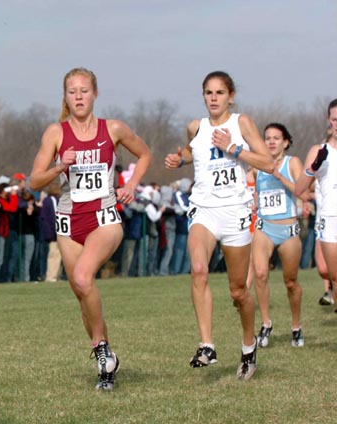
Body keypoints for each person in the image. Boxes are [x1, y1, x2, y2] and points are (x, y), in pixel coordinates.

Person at [29, 67, 153, 390]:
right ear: (66, 97)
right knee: (83, 295)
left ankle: (100, 349)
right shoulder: (55, 133)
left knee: (84, 278)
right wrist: (60, 165)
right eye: (73, 92)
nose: (79, 97)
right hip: (69, 220)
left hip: (104, 216)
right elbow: (35, 180)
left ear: (95, 93)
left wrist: (132, 185)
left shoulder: (112, 128)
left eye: (84, 91)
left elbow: (144, 154)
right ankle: (106, 362)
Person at [164, 71, 273, 380]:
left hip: (235, 211)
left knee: (238, 292)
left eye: (220, 93)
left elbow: (267, 162)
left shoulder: (241, 124)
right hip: (204, 210)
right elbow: (193, 150)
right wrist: (180, 159)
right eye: (208, 93)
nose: (213, 98)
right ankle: (207, 345)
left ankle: (249, 346)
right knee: (198, 269)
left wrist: (234, 149)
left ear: (231, 96)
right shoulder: (195, 127)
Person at [251, 123, 303, 347]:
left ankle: (296, 326)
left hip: (288, 230)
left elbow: (301, 189)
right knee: (261, 274)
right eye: (267, 138)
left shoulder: (293, 163)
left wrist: (279, 176)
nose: (271, 142)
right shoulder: (256, 166)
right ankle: (265, 323)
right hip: (265, 227)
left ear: (286, 142)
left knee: (290, 282)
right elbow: (256, 192)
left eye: (276, 138)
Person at [295, 101, 337, 316]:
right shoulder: (319, 151)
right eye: (335, 119)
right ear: (329, 121)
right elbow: (299, 188)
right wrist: (313, 168)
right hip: (329, 218)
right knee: (331, 274)